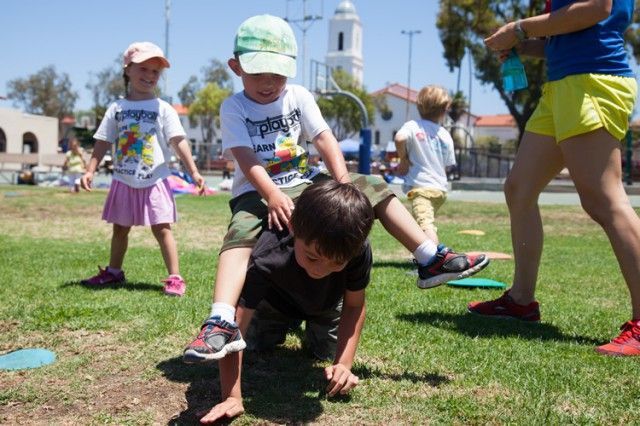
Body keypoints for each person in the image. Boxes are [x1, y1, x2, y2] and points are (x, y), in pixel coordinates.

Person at [183, 14, 489, 363]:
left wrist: (344, 183)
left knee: (373, 184)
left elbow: (324, 138)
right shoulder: (234, 106)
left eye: (277, 74)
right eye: (257, 74)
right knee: (240, 234)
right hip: (257, 191)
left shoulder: (297, 95)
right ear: (236, 67)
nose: (268, 83)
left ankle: (429, 257)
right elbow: (244, 155)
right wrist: (271, 194)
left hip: (306, 182)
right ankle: (220, 320)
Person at [468, 0, 640, 356]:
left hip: (592, 83)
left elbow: (596, 8)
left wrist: (519, 28)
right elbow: (572, 33)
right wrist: (524, 46)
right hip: (562, 86)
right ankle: (521, 301)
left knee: (603, 199)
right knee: (519, 188)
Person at [198, 179, 375, 423]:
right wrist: (232, 396)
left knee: (324, 352)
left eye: (337, 263)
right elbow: (236, 324)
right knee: (256, 344)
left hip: (325, 306)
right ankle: (285, 322)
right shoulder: (269, 253)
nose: (321, 270)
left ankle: (311, 325)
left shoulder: (355, 249)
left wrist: (343, 364)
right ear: (293, 228)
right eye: (312, 257)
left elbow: (354, 304)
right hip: (275, 304)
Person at [80, 41, 205, 297]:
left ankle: (175, 278)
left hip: (155, 179)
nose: (149, 76)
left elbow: (178, 141)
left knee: (162, 228)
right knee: (119, 228)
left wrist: (193, 171)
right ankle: (114, 272)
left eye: (155, 72)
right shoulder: (117, 108)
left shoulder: (163, 108)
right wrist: (90, 170)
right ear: (128, 69)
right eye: (143, 69)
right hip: (124, 179)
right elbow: (103, 141)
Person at [394, 85, 456, 245]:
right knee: (423, 222)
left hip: (422, 189)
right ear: (445, 109)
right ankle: (425, 258)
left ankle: (432, 262)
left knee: (425, 227)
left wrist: (404, 160)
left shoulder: (413, 126)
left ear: (419, 106)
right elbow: (448, 165)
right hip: (440, 189)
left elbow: (399, 139)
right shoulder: (445, 135)